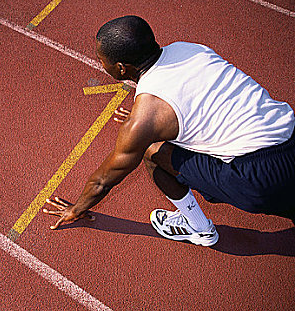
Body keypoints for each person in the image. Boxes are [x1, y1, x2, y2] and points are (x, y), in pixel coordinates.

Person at [43, 15, 295, 246]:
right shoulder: (190, 49)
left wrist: (75, 209)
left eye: (101, 59)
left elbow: (103, 181)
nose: (101, 63)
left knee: (152, 152)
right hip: (290, 132)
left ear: (121, 68)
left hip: (257, 176)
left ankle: (199, 229)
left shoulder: (147, 116)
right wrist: (145, 121)